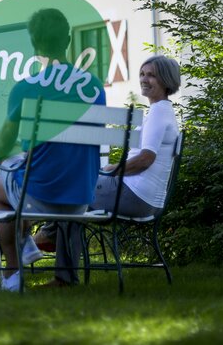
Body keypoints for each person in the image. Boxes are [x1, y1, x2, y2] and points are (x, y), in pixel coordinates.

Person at [0, 8, 107, 291]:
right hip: (82, 194)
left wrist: (23, 147)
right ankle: (64, 275)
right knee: (49, 169)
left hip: (40, 196)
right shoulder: (93, 86)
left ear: (34, 45)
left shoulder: (25, 88)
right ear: (68, 40)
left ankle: (13, 271)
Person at [33, 55, 181, 258]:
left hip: (135, 196)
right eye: (142, 74)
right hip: (145, 198)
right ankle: (50, 241)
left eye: (152, 76)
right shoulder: (162, 112)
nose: (144, 80)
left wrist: (115, 170)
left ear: (166, 80)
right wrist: (114, 169)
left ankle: (46, 241)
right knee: (76, 193)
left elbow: (146, 159)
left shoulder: (158, 114)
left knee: (73, 192)